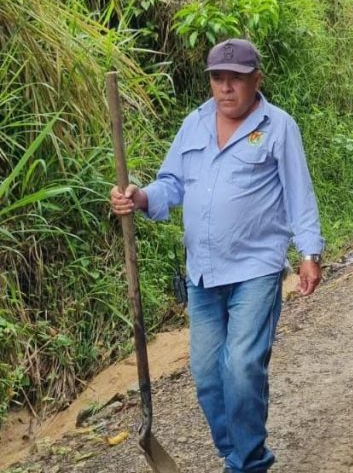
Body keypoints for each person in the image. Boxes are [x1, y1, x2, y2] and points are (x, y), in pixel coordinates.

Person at [110, 38, 324, 473]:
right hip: (203, 274)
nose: (226, 88)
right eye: (218, 78)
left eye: (236, 79)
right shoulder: (194, 124)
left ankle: (247, 463)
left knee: (242, 367)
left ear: (256, 79)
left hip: (256, 269)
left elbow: (299, 193)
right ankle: (237, 452)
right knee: (208, 376)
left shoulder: (279, 127)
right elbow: (172, 183)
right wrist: (141, 196)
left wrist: (309, 252)